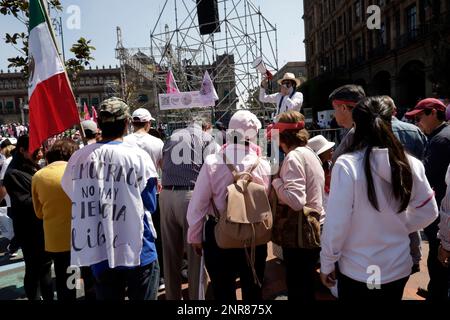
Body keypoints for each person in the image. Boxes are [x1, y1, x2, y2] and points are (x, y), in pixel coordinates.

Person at [320, 96, 439, 301]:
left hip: (359, 269)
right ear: (390, 120)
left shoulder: (347, 165)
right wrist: (399, 225)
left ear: (356, 125)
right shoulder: (411, 163)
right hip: (397, 267)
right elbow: (429, 212)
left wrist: (327, 263)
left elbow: (336, 225)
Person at [61, 97, 160, 300]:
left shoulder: (78, 158)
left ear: (99, 124)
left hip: (98, 248)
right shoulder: (138, 157)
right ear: (126, 123)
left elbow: (73, 193)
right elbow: (150, 204)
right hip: (138, 248)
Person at [187, 110, 271, 301]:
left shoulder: (213, 162)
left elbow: (198, 204)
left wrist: (195, 236)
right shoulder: (264, 165)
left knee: (223, 290)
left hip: (219, 235)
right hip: (254, 236)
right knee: (253, 289)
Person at [160, 115, 219, 300]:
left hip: (167, 196)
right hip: (191, 196)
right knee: (196, 254)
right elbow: (212, 170)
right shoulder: (207, 138)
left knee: (169, 254)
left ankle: (172, 297)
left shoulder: (172, 137)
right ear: (205, 126)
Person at [269, 110, 324, 301]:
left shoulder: (293, 157)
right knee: (306, 282)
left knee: (297, 284)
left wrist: (276, 182)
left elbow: (295, 200)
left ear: (283, 136)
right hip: (312, 228)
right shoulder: (309, 152)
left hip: (299, 234)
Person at [404, 97, 450, 300]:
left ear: (433, 113)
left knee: (438, 259)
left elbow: (426, 177)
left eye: (420, 116)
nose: (417, 122)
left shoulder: (440, 140)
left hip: (442, 213)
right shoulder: (441, 136)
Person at [3, 135, 53, 300]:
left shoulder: (31, 165)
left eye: (40, 150)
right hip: (28, 229)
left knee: (45, 267)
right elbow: (26, 202)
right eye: (35, 151)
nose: (39, 154)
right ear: (22, 150)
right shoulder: (13, 173)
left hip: (42, 227)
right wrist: (48, 197)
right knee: (33, 269)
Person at [384, 96, 429, 273]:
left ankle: (394, 259)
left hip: (386, 184)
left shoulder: (374, 132)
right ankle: (414, 258)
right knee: (412, 219)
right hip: (412, 182)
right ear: (394, 111)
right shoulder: (414, 130)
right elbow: (425, 155)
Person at [32, 139, 79, 300]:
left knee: (62, 275)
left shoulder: (38, 176)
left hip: (55, 238)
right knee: (76, 276)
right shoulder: (78, 171)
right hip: (79, 236)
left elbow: (38, 212)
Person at [124, 108, 165, 291]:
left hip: (128, 194)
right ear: (148, 124)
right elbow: (163, 168)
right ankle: (157, 274)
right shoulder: (157, 142)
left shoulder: (123, 141)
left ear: (133, 123)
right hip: (151, 193)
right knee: (155, 235)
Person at [329, 85, 366, 164]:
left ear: (343, 108)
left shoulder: (361, 136)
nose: (334, 114)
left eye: (334, 109)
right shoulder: (361, 131)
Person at [308, 134, 335, 208]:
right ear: (321, 154)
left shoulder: (329, 165)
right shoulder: (313, 169)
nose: (331, 151)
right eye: (329, 150)